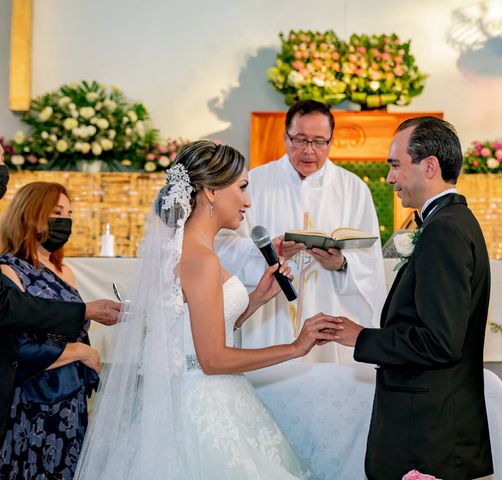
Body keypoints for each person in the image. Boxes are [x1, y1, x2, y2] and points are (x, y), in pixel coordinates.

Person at [75, 141, 342, 479]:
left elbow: (194, 328)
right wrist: (295, 347)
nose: (248, 201)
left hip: (195, 393)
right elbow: (212, 359)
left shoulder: (186, 249)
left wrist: (257, 297)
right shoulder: (201, 259)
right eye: (242, 187)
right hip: (203, 405)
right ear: (211, 191)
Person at [329, 117, 493, 480]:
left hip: (427, 433)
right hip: (434, 424)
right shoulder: (449, 222)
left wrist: (361, 338)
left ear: (429, 166)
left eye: (395, 165)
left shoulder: (445, 231)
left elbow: (440, 341)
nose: (389, 178)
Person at [216, 100, 386, 362]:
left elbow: (371, 260)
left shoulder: (353, 189)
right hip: (270, 320)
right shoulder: (255, 182)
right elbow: (223, 243)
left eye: (319, 142)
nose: (309, 151)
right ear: (285, 137)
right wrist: (265, 252)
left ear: (331, 141)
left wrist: (341, 263)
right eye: (300, 140)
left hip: (329, 311)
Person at [0, 144, 120, 437]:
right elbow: (19, 344)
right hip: (32, 399)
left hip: (71, 396)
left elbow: (74, 326)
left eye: (69, 213)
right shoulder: (8, 269)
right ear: (31, 214)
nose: (65, 220)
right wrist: (78, 351)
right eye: (56, 212)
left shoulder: (65, 271)